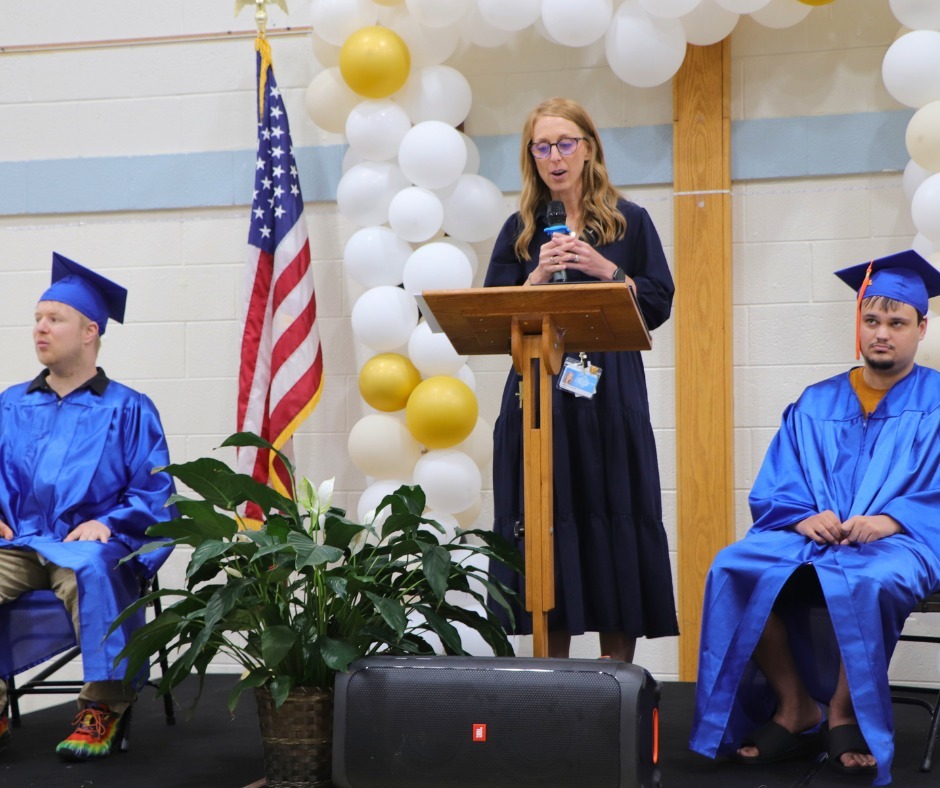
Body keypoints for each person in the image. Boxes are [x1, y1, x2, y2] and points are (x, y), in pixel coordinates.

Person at [689, 250, 940, 785]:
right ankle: (795, 705)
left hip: (906, 541)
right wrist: (802, 516)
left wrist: (893, 520)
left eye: (897, 323)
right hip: (817, 538)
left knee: (871, 578)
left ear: (922, 327)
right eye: (871, 321)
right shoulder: (817, 400)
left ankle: (846, 714)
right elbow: (779, 483)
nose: (881, 334)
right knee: (734, 566)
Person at [483, 97, 679, 661]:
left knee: (612, 514)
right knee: (545, 523)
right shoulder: (519, 231)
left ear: (589, 148)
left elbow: (660, 302)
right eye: (542, 147)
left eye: (565, 143)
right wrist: (537, 278)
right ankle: (553, 682)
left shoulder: (628, 220)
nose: (555, 157)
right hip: (539, 395)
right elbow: (492, 317)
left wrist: (605, 269)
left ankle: (614, 685)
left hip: (607, 391)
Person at [0, 253, 176, 761]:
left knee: (95, 570)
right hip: (20, 542)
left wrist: (109, 522)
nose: (40, 329)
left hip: (83, 548)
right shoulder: (11, 404)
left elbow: (155, 493)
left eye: (54, 319)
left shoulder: (128, 408)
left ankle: (103, 707)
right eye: (36, 319)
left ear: (89, 332)